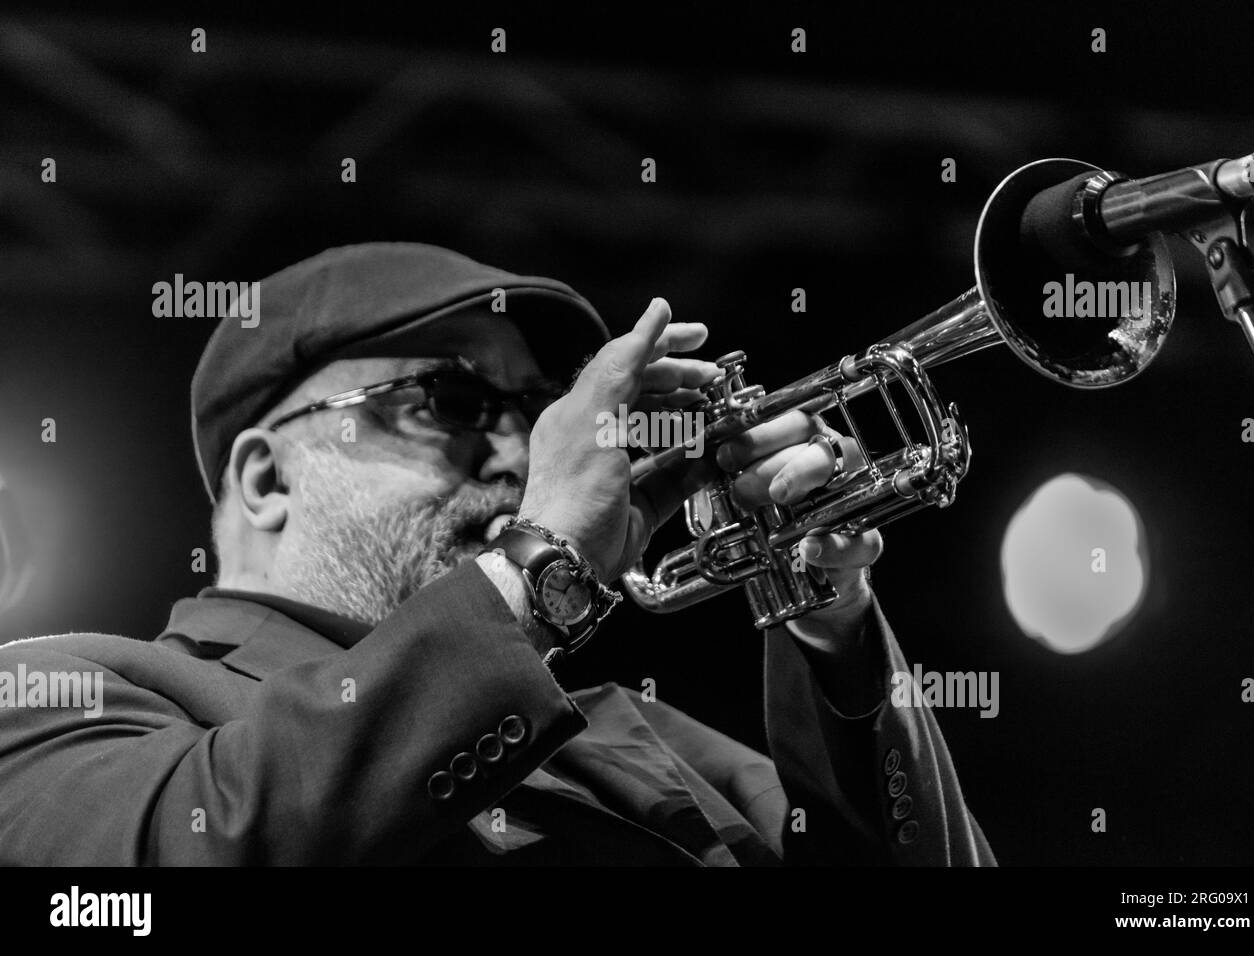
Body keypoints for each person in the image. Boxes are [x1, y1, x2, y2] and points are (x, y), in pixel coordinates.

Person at [0, 243, 994, 865]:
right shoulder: (66, 689)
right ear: (268, 477)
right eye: (453, 403)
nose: (520, 454)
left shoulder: (640, 734)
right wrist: (542, 557)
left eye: (532, 409)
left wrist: (826, 617)